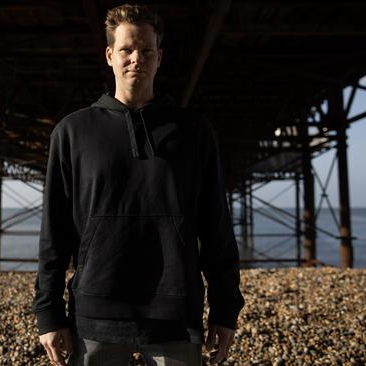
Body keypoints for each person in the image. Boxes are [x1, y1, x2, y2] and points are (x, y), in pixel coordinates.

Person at [33, 4, 244, 365]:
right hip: (96, 310)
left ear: (159, 57)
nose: (137, 58)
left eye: (146, 50)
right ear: (109, 55)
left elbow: (216, 229)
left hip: (176, 311)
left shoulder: (194, 132)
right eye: (127, 49)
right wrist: (48, 313)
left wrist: (226, 310)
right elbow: (55, 230)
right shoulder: (72, 132)